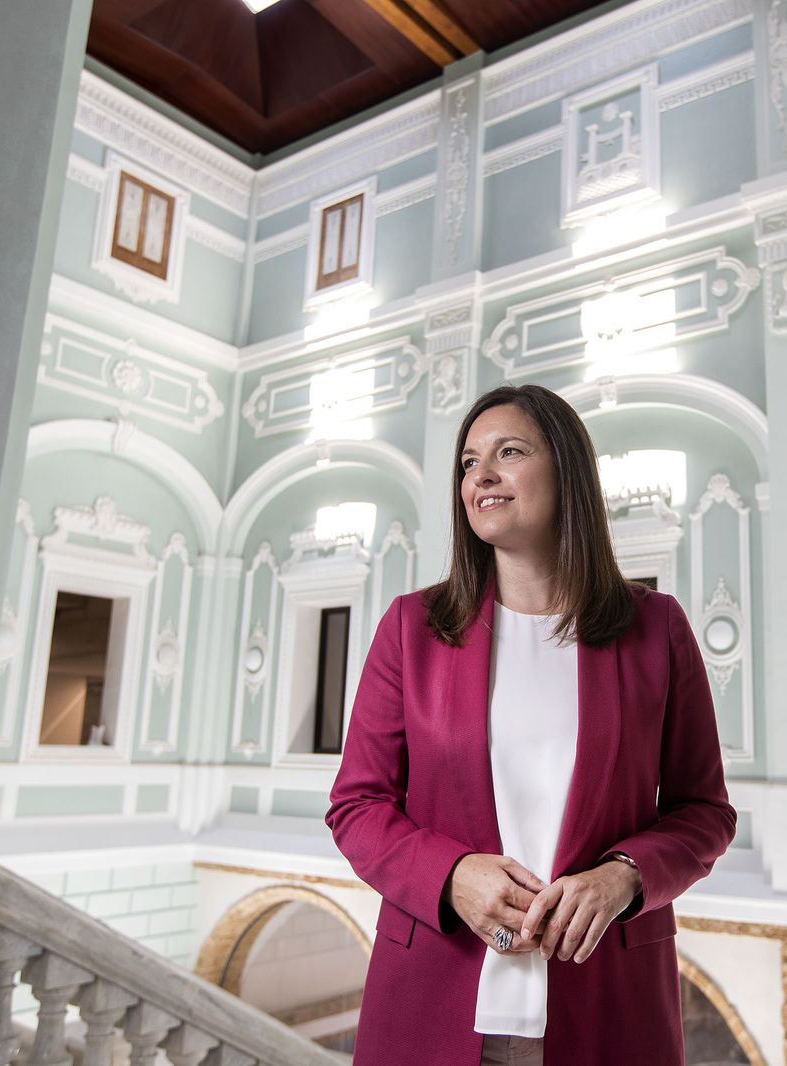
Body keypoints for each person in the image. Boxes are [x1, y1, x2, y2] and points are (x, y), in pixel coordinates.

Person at [325, 383, 737, 1066]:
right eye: (467, 462)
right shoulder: (412, 629)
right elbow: (356, 807)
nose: (479, 475)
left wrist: (624, 876)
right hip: (433, 999)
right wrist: (452, 876)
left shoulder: (656, 630)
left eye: (508, 452)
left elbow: (704, 813)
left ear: (567, 470)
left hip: (608, 1007)